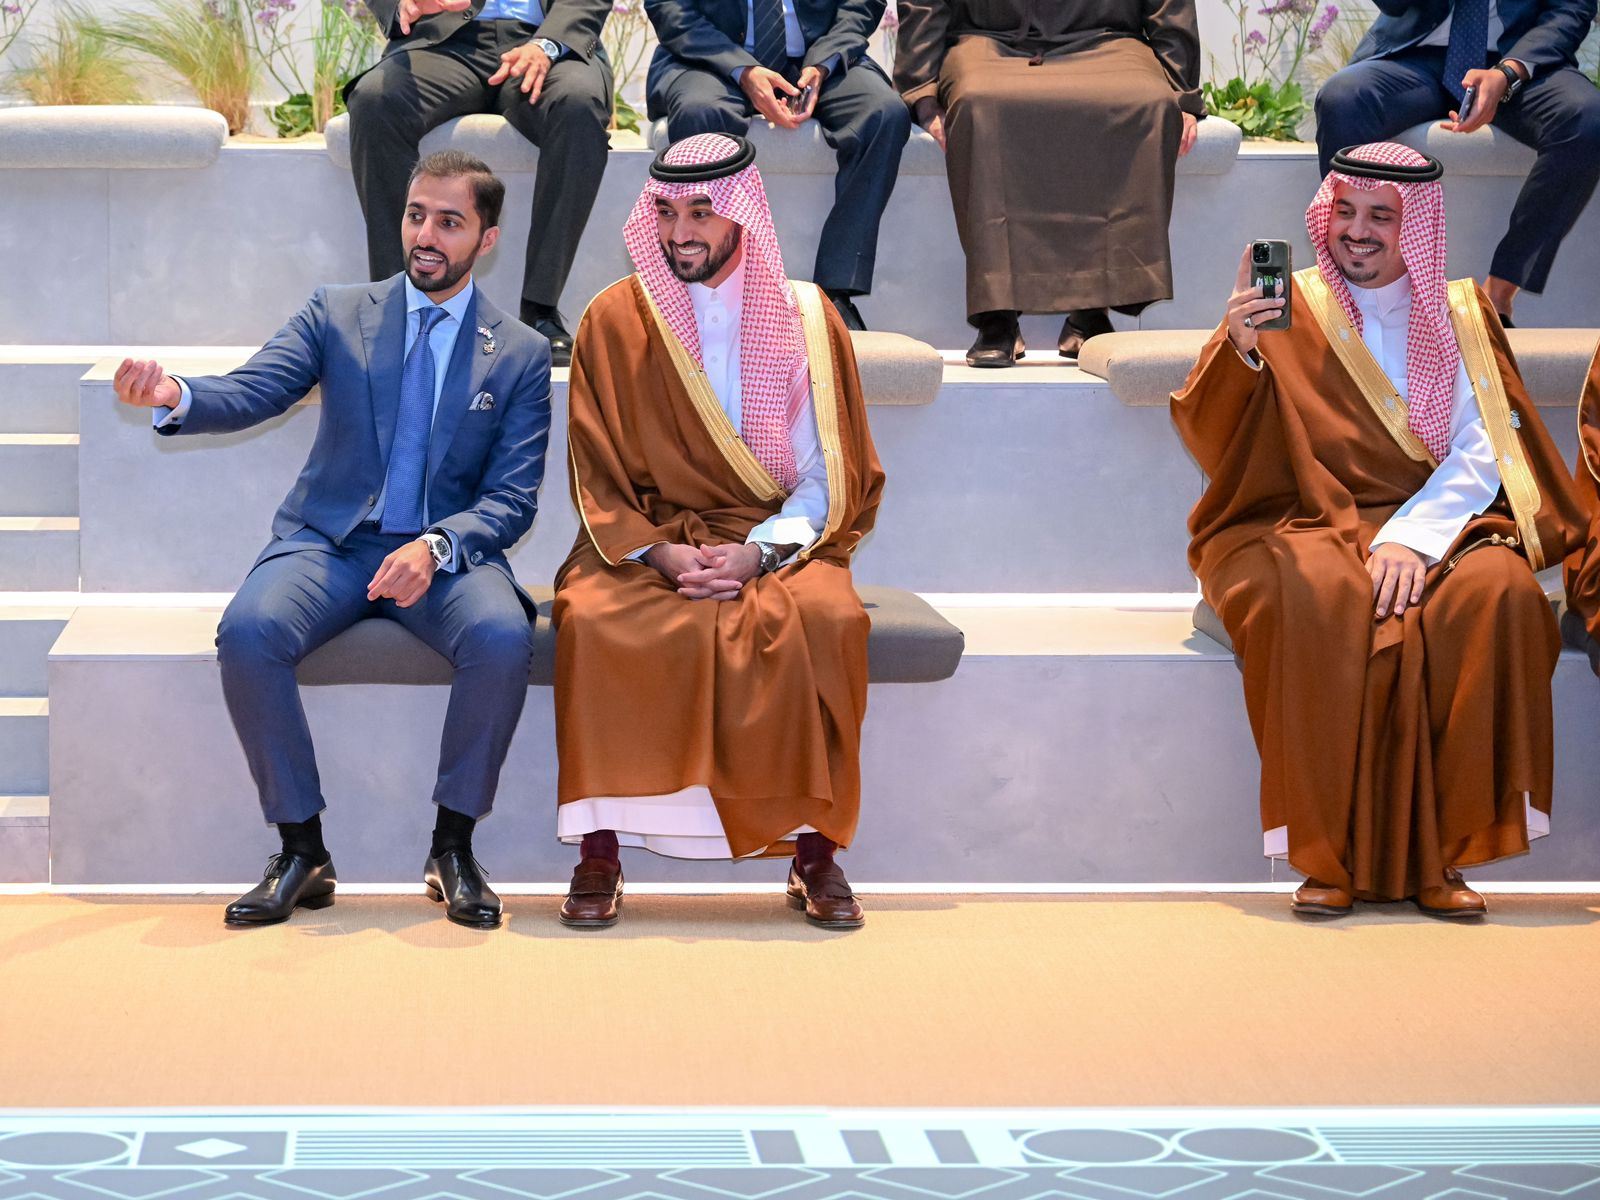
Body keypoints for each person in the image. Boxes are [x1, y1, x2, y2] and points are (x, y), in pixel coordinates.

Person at [112, 152, 552, 931]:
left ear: (486, 239)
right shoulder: (339, 312)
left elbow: (512, 500)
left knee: (501, 635)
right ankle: (302, 850)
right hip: (331, 543)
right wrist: (175, 392)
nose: (425, 235)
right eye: (416, 215)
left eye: (449, 222)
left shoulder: (516, 352)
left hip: (445, 560)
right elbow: (255, 388)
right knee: (249, 632)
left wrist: (438, 547)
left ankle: (452, 848)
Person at [1170, 141, 1586, 918]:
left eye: (1380, 217)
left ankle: (1442, 857)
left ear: (1415, 227)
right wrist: (1239, 351)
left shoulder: (1463, 315)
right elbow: (1213, 438)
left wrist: (1412, 539)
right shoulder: (1290, 307)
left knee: (1498, 594)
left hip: (1439, 521)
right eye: (1346, 211)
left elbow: (1485, 449)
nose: (1357, 232)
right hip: (1302, 515)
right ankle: (1324, 853)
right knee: (1320, 593)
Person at [551, 133, 885, 929]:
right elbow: (598, 474)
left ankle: (813, 853)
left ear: (742, 214)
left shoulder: (808, 319)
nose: (681, 232)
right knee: (593, 618)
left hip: (770, 532)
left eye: (701, 212)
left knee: (828, 618)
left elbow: (828, 473)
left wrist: (756, 553)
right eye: (667, 213)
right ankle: (600, 851)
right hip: (647, 534)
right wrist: (663, 553)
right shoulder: (612, 319)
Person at [894, 0, 1204, 368]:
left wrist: (1181, 93)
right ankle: (997, 313)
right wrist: (922, 93)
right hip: (987, 41)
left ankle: (1091, 309)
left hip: (1108, 43)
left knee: (1147, 102)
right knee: (979, 102)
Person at [345, 0, 616, 365]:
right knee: (376, 100)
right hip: (441, 44)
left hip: (547, 43)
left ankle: (540, 309)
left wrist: (547, 45)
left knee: (577, 106)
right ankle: (400, 305)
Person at [1313, 0, 1600, 327]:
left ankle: (1497, 296)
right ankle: (1357, 291)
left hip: (1518, 63)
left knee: (1587, 119)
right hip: (1416, 56)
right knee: (1342, 99)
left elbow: (1570, 10)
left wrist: (1508, 72)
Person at [643, 0, 910, 331]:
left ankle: (835, 295)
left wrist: (823, 63)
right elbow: (669, 8)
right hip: (711, 59)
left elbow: (861, 4)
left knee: (884, 113)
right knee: (700, 112)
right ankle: (711, 289)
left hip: (818, 57)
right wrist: (743, 70)